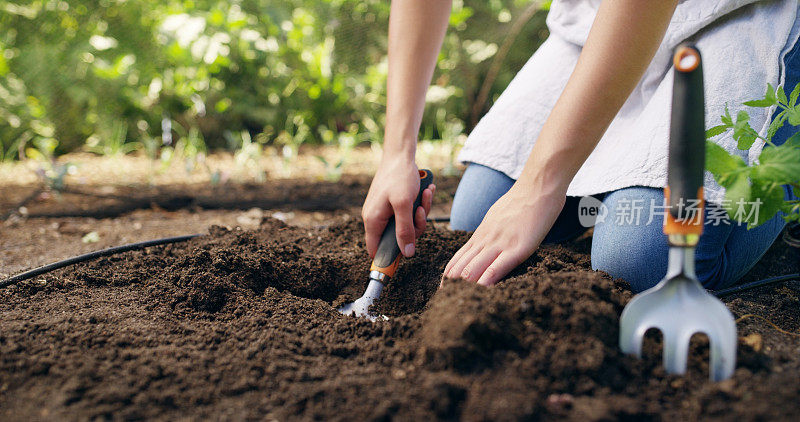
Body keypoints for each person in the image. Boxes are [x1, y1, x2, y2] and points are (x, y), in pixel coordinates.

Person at [361, 0, 800, 293]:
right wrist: (397, 154)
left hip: (741, 13)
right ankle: (612, 192)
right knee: (475, 218)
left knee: (643, 261)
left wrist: (538, 187)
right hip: (596, 18)